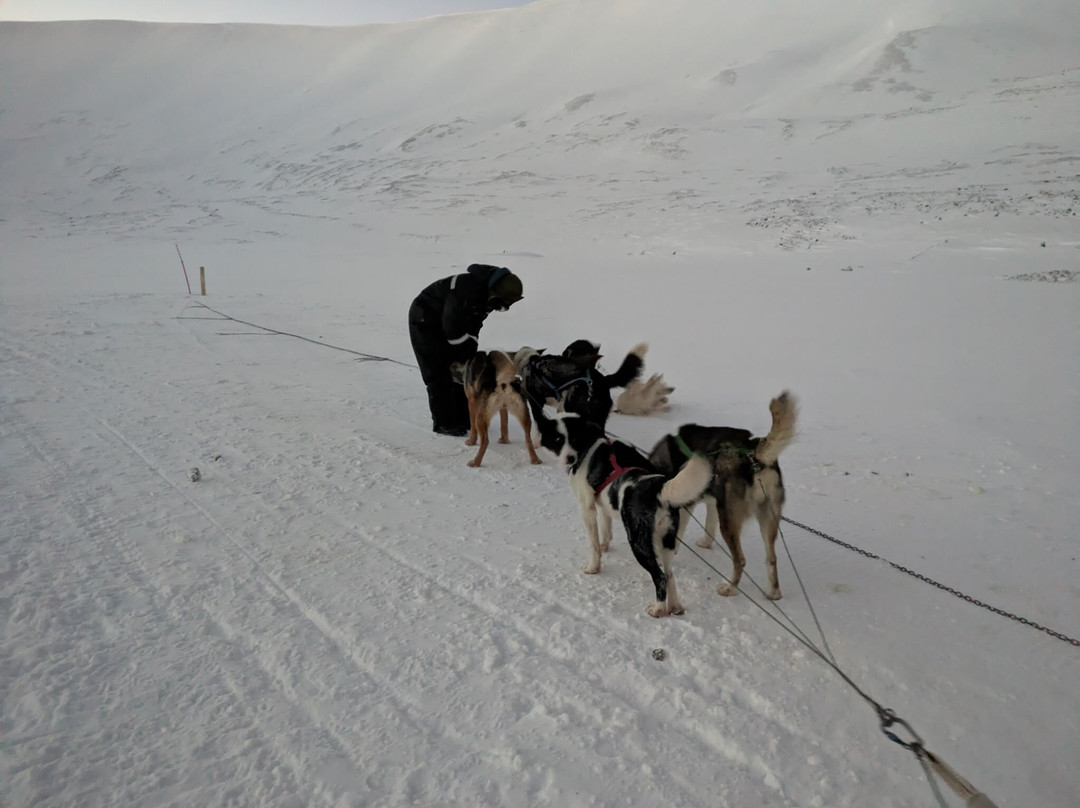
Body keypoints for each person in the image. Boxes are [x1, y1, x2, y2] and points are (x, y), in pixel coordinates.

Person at [408, 263, 524, 435]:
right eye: (500, 305)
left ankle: (464, 418)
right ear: (495, 291)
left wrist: (470, 353)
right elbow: (452, 327)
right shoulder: (466, 291)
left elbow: (473, 324)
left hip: (449, 324)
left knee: (462, 371)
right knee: (438, 369)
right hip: (425, 318)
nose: (499, 308)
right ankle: (445, 423)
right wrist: (466, 352)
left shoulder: (487, 296)